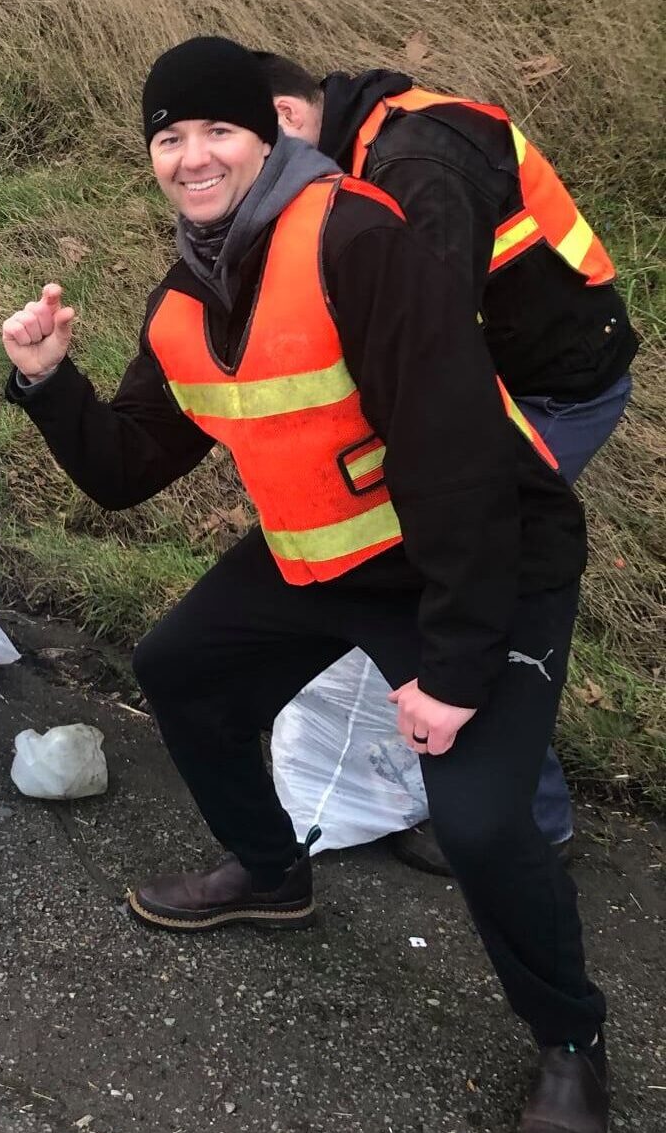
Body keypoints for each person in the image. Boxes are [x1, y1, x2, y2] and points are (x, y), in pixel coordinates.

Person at [2, 35, 609, 1133]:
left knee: (479, 822)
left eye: (216, 130)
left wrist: (460, 665)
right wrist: (47, 384)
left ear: (270, 134)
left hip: (488, 563)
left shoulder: (358, 241)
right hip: (332, 558)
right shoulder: (188, 296)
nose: (190, 156)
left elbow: (461, 464)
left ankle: (572, 1044)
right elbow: (128, 467)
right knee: (181, 667)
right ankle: (275, 874)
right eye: (168, 137)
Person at [258, 52, 639, 876]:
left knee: (480, 559)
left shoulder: (417, 166)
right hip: (511, 374)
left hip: (551, 393)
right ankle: (468, 773)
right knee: (448, 559)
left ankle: (531, 823)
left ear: (288, 120)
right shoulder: (364, 136)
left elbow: (433, 350)